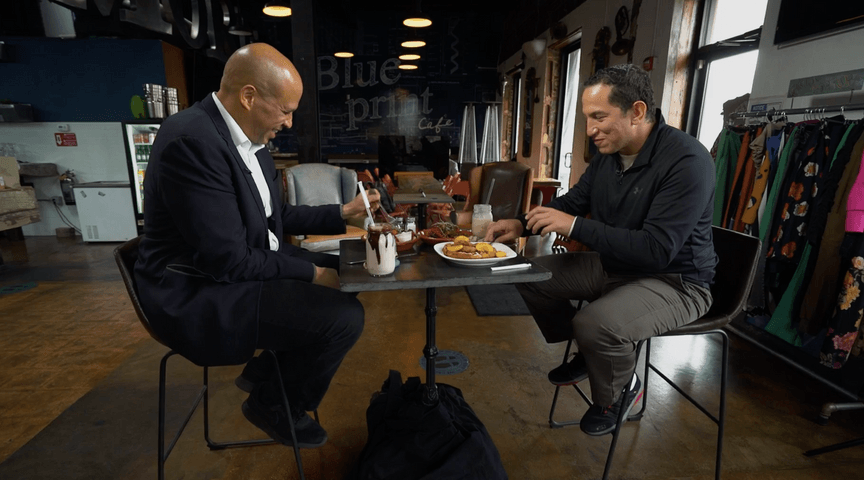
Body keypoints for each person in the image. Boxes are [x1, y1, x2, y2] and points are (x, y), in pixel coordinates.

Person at [134, 43, 380, 448]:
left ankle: (265, 371)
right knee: (344, 318)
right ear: (248, 96)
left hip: (240, 265)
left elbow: (275, 217)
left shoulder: (253, 143)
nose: (289, 122)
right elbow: (227, 260)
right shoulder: (192, 142)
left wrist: (343, 211)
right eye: (285, 110)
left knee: (352, 270)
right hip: (197, 290)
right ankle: (273, 404)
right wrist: (313, 272)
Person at [484, 64, 716, 436]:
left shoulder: (687, 161)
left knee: (595, 323)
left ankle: (620, 393)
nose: (590, 129)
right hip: (616, 266)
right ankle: (594, 354)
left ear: (637, 112)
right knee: (527, 274)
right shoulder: (610, 156)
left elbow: (656, 251)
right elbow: (574, 201)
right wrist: (520, 224)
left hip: (676, 281)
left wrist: (575, 226)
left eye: (599, 117)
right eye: (587, 118)